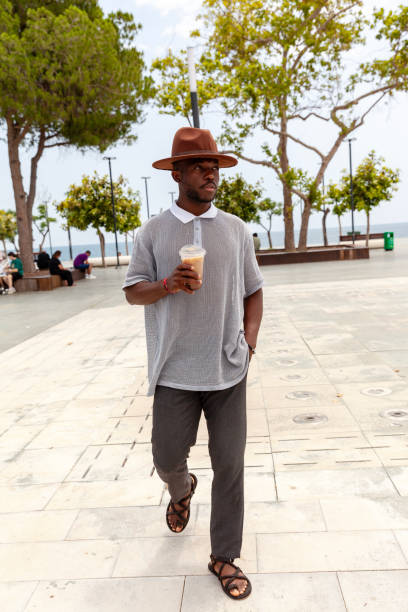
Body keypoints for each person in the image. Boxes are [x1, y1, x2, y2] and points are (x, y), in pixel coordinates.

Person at [123, 127, 263, 601]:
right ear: (177, 172)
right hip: (174, 371)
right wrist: (167, 284)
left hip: (227, 368)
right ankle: (181, 490)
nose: (211, 172)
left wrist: (250, 342)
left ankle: (224, 555)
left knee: (231, 465)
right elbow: (132, 292)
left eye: (216, 165)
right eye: (201, 165)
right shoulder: (154, 231)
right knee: (165, 457)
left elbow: (254, 291)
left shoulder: (236, 229)